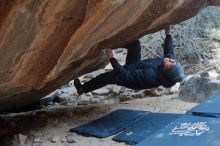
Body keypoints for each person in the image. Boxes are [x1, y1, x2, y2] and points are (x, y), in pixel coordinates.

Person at [74, 26, 185, 95]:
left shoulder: (150, 76)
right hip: (136, 65)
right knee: (135, 44)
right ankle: (111, 43)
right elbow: (169, 52)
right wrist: (168, 35)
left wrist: (112, 58)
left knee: (106, 78)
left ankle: (82, 89)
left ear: (167, 70)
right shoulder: (167, 64)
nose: (170, 60)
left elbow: (125, 75)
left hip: (128, 78)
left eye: (170, 63)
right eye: (172, 61)